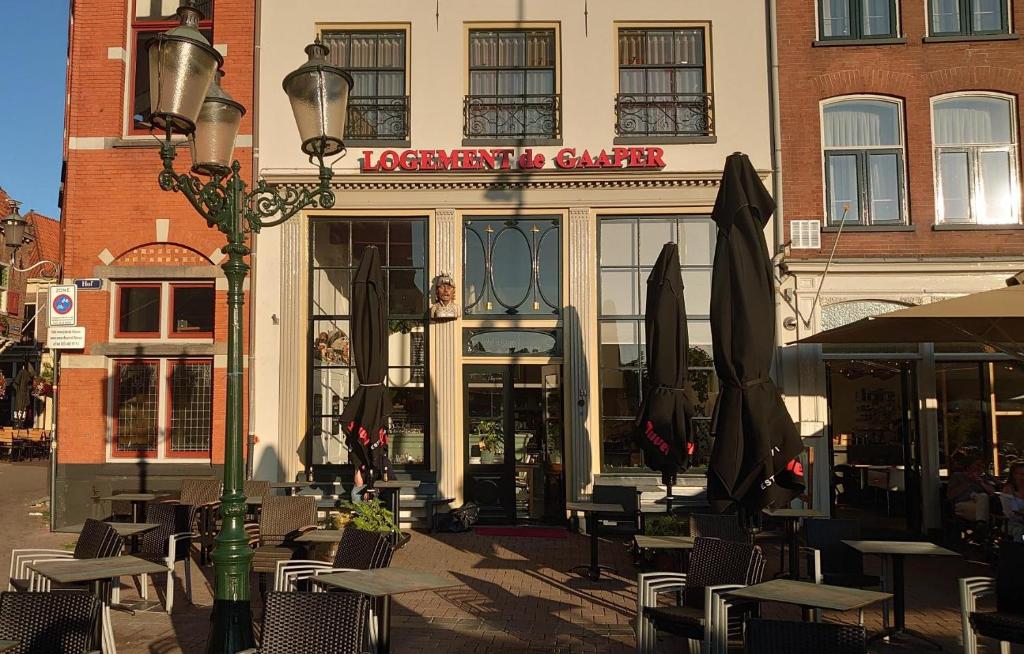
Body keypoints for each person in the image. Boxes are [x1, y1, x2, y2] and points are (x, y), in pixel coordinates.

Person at [947, 455, 996, 523]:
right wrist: (968, 482)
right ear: (970, 465)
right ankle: (982, 525)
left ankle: (981, 524)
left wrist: (982, 483)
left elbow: (993, 492)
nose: (980, 468)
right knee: (985, 511)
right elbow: (950, 496)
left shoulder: (983, 478)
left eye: (982, 467)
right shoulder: (957, 476)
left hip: (980, 503)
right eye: (978, 465)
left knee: (983, 497)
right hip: (963, 503)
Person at [1000, 461, 1024, 542]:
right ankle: (1018, 553)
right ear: (1014, 475)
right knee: (1021, 532)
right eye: (1022, 474)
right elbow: (1011, 513)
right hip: (1011, 524)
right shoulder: (1008, 490)